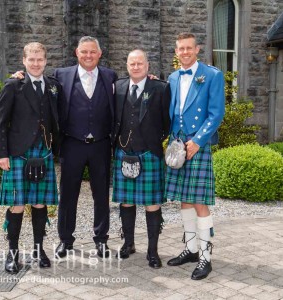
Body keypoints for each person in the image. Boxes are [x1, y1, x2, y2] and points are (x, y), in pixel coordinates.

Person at [0, 42, 61, 274]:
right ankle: (12, 253)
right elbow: (0, 123)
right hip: (18, 153)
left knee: (40, 202)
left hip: (43, 152)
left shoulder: (53, 85)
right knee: (18, 204)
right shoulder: (13, 85)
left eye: (40, 59)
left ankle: (38, 249)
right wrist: (1, 154)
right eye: (31, 59)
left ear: (45, 60)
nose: (35, 63)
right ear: (23, 60)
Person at [165, 33, 225, 280]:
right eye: (181, 49)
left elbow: (216, 113)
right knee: (184, 199)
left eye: (189, 48)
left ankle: (205, 257)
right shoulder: (172, 76)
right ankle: (190, 249)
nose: (185, 52)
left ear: (197, 49)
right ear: (176, 51)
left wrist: (198, 142)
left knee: (200, 202)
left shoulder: (212, 75)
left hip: (197, 144)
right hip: (177, 144)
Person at [54, 36, 117, 259]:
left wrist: (150, 78)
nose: (88, 56)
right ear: (76, 53)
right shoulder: (61, 76)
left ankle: (101, 240)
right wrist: (19, 77)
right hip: (72, 144)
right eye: (84, 52)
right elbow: (41, 91)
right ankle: (65, 240)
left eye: (92, 52)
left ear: (100, 53)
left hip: (100, 144)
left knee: (101, 195)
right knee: (68, 195)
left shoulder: (110, 76)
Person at [112, 49, 170, 268]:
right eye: (131, 63)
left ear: (147, 66)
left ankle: (153, 251)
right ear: (127, 65)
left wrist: (154, 141)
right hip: (124, 152)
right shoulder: (117, 87)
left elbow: (167, 122)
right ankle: (128, 244)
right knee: (126, 201)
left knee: (152, 204)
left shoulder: (161, 88)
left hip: (149, 153)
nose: (135, 67)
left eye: (139, 63)